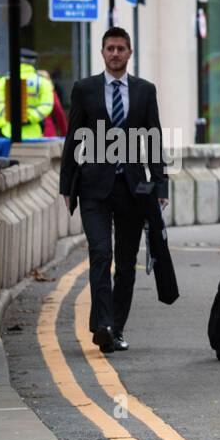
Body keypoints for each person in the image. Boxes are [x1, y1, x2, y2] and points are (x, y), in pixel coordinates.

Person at [60, 27, 168, 354]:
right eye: (110, 48)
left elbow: (154, 139)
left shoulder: (145, 91)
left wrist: (160, 184)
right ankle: (103, 323)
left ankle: (115, 328)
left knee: (125, 263)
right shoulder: (85, 90)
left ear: (130, 53)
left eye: (121, 48)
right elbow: (73, 139)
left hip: (133, 190)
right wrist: (67, 185)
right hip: (94, 187)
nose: (116, 53)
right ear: (102, 52)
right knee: (100, 253)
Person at [1, 49, 54, 139]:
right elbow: (47, 105)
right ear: (33, 62)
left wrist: (11, 118)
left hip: (8, 132)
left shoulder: (4, 80)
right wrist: (29, 119)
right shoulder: (42, 82)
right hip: (34, 133)